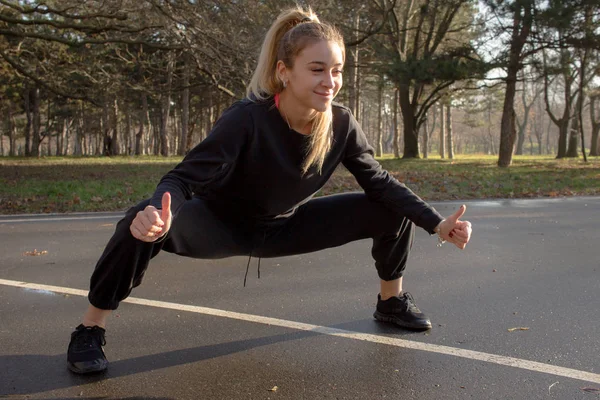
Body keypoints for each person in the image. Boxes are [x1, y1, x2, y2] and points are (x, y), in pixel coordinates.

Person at [66, 6, 472, 375]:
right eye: (317, 69)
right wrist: (158, 211)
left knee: (387, 206)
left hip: (285, 228)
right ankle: (90, 328)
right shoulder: (248, 118)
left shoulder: (342, 125)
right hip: (219, 225)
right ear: (284, 71)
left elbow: (380, 182)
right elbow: (182, 178)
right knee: (137, 224)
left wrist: (437, 224)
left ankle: (391, 303)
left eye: (337, 70)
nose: (329, 81)